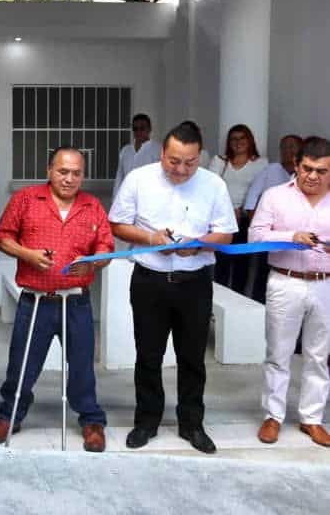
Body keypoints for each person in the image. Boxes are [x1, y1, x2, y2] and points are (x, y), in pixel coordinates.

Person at [110, 122, 236, 454]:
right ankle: (146, 421)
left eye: (189, 163)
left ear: (199, 157)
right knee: (148, 355)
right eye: (174, 161)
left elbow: (226, 234)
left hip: (194, 283)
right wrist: (152, 239)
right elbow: (118, 224)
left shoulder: (214, 185)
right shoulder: (139, 179)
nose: (181, 169)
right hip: (150, 281)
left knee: (192, 357)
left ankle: (192, 424)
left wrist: (198, 244)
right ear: (162, 152)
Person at [0, 147, 114, 451]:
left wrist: (94, 261)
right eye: (62, 171)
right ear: (49, 170)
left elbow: (107, 247)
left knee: (82, 366)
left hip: (76, 303)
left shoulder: (92, 206)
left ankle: (91, 421)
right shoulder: (26, 199)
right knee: (22, 363)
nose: (69, 179)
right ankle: (10, 415)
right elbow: (2, 237)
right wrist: (27, 254)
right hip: (37, 301)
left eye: (76, 173)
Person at [249, 136, 330, 447]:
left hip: (325, 283)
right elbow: (256, 236)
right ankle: (273, 416)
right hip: (285, 280)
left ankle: (312, 418)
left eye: (321, 171)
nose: (312, 176)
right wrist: (290, 236)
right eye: (307, 169)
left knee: (318, 355)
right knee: (278, 352)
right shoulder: (274, 196)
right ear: (296, 165)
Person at [245, 134, 304, 304]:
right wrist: (256, 225)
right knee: (262, 274)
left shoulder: (307, 178)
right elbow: (252, 197)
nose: (287, 151)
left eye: (292, 146)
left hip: (297, 239)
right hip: (268, 233)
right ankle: (257, 304)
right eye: (284, 147)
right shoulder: (271, 170)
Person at [208, 124, 267, 294]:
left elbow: (261, 192)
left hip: (245, 219)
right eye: (234, 139)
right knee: (221, 264)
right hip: (222, 218)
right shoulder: (219, 161)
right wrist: (228, 210)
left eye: (242, 138)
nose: (238, 142)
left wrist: (242, 210)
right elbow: (211, 188)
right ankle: (219, 301)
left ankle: (239, 303)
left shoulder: (261, 163)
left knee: (242, 265)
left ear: (249, 141)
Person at [113, 113, 160, 198]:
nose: (138, 132)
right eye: (135, 129)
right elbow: (119, 177)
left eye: (142, 128)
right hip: (127, 199)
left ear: (149, 129)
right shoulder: (125, 150)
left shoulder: (158, 150)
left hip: (149, 198)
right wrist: (115, 199)